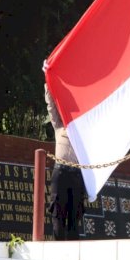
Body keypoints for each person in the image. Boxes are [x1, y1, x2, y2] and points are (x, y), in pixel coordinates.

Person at [45, 84, 86, 240]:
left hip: (77, 174)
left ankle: (74, 245)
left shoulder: (82, 132)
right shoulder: (59, 127)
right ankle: (58, 242)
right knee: (57, 210)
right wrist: (49, 84)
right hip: (60, 172)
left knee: (75, 213)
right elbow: (51, 108)